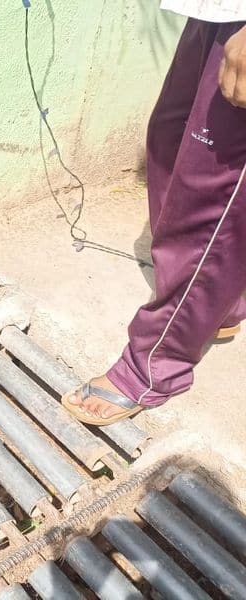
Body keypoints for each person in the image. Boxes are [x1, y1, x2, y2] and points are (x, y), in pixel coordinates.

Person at [63, 0, 246, 425]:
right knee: (169, 138)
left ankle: (152, 366)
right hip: (219, 12)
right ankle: (218, 307)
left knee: (213, 194)